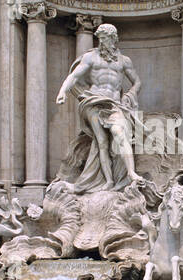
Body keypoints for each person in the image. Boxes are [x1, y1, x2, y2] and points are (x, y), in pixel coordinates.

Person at [55, 23, 145, 194]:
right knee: (101, 142)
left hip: (114, 104)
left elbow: (137, 82)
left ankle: (131, 173)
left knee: (119, 132)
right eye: (100, 39)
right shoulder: (91, 58)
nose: (103, 42)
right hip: (93, 101)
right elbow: (74, 76)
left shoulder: (124, 61)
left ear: (114, 39)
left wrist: (130, 95)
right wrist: (63, 92)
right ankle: (109, 181)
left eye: (106, 38)